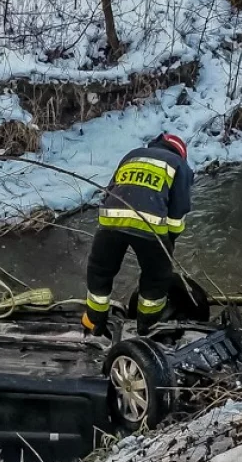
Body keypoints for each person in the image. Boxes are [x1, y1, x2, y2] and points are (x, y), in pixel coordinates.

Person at [83, 133, 193, 336]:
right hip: (150, 226)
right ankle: (147, 327)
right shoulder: (179, 165)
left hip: (110, 221)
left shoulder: (132, 155)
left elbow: (110, 191)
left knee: (100, 271)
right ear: (180, 153)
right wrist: (168, 243)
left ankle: (94, 322)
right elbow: (178, 212)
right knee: (156, 278)